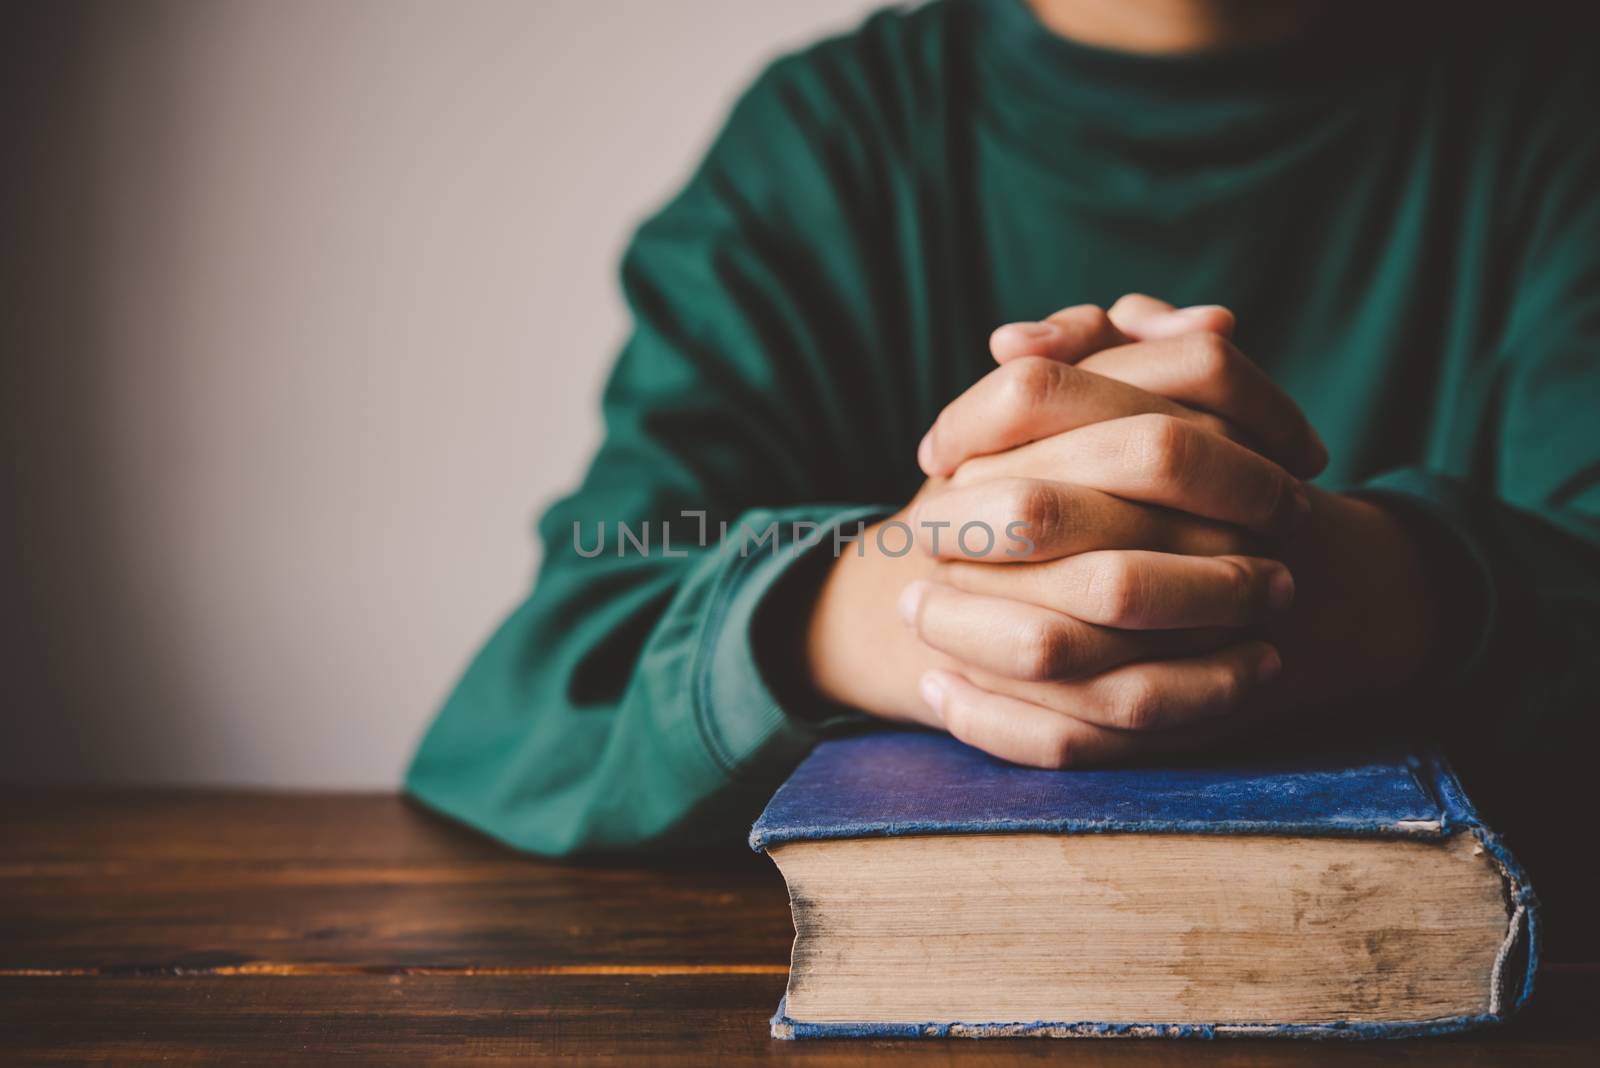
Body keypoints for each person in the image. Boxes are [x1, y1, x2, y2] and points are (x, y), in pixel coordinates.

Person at [406, 0, 1600, 858]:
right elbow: (553, 666)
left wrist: (1388, 585)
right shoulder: (827, 142)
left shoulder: (1562, 107)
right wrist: (888, 601)